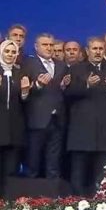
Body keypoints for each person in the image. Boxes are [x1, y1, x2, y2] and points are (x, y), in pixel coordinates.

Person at [65, 37, 106, 195]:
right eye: (94, 49)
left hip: (104, 132)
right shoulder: (76, 69)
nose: (98, 52)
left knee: (102, 174)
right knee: (78, 173)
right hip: (82, 131)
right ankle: (77, 203)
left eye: (101, 49)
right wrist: (87, 85)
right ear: (87, 51)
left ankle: (100, 203)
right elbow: (68, 94)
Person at [22, 33, 69, 178]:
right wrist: (38, 85)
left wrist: (64, 87)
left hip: (57, 119)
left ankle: (52, 191)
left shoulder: (61, 65)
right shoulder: (28, 64)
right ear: (36, 47)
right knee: (33, 161)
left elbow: (62, 91)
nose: (49, 48)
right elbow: (23, 91)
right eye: (45, 45)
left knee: (53, 161)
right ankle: (30, 191)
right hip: (37, 119)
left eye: (51, 45)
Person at [0, 40, 29, 194]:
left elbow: (25, 102)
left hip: (14, 129)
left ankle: (7, 204)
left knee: (11, 170)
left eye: (13, 52)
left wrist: (25, 92)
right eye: (7, 51)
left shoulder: (20, 73)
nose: (10, 55)